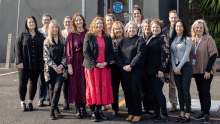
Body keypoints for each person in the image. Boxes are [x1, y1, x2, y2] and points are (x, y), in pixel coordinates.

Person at [82, 16, 114, 122]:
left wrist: (106, 62)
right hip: (92, 67)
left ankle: (100, 112)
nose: (99, 25)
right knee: (93, 89)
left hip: (104, 67)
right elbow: (85, 52)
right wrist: (95, 63)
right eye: (97, 23)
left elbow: (111, 52)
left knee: (101, 89)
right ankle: (93, 113)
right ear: (93, 25)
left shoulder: (107, 36)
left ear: (103, 25)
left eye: (101, 23)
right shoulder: (89, 36)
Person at [116, 21, 146, 122]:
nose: (132, 29)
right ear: (127, 29)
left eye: (134, 28)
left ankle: (137, 113)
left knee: (135, 91)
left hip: (136, 70)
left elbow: (140, 54)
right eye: (130, 28)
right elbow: (118, 55)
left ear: (137, 29)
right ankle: (131, 112)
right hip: (125, 70)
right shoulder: (123, 41)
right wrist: (124, 66)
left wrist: (131, 65)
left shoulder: (140, 40)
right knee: (128, 92)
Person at [190, 19, 218, 124]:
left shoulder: (208, 39)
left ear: (204, 29)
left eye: (201, 27)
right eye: (197, 27)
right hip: (196, 69)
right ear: (194, 28)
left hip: (206, 70)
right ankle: (202, 111)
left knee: (205, 91)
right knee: (200, 91)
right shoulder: (191, 39)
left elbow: (213, 54)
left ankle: (207, 114)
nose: (199, 29)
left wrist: (207, 70)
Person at [15, 16, 45, 111]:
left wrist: (43, 63)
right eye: (29, 22)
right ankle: (22, 102)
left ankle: (30, 102)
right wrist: (19, 61)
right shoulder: (22, 35)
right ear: (26, 24)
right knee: (23, 83)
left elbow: (44, 50)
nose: (31, 23)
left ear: (35, 23)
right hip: (24, 65)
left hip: (36, 64)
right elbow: (17, 49)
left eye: (33, 22)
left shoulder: (40, 36)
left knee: (33, 83)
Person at [66, 13, 90, 119]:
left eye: (80, 20)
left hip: (86, 62)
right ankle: (77, 109)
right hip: (75, 62)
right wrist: (69, 65)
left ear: (83, 21)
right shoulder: (71, 35)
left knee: (85, 85)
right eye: (76, 21)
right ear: (74, 23)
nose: (78, 22)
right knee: (76, 85)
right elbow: (69, 51)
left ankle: (84, 109)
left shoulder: (88, 33)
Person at [145, 19, 169, 122]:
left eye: (157, 27)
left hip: (158, 70)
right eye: (153, 27)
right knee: (153, 93)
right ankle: (156, 113)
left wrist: (161, 70)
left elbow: (166, 54)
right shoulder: (150, 37)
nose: (155, 29)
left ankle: (164, 114)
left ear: (160, 28)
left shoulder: (162, 38)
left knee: (158, 92)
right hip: (149, 70)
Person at [43, 20, 67, 120]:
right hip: (51, 69)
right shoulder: (47, 41)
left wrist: (61, 66)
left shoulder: (63, 40)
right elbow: (46, 57)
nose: (54, 29)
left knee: (57, 89)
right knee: (52, 90)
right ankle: (56, 108)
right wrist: (55, 67)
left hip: (61, 69)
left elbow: (66, 55)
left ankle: (52, 110)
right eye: (52, 27)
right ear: (50, 29)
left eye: (56, 27)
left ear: (59, 28)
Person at [170, 20, 192, 123]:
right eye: (177, 26)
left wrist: (178, 68)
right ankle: (182, 113)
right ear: (175, 28)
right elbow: (172, 54)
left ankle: (187, 114)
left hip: (185, 66)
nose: (178, 28)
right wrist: (174, 67)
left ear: (184, 28)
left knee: (185, 91)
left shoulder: (188, 39)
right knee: (179, 91)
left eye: (181, 26)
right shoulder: (173, 39)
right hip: (176, 67)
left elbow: (186, 55)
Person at [162, 10, 179, 112]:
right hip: (169, 61)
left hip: (180, 61)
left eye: (175, 17)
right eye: (172, 18)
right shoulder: (165, 30)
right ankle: (173, 104)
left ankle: (186, 105)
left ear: (178, 18)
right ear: (169, 18)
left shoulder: (182, 29)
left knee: (183, 85)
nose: (173, 19)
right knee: (172, 84)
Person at [110, 21, 128, 117]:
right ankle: (115, 109)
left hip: (125, 67)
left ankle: (130, 107)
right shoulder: (111, 41)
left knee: (126, 88)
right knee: (114, 89)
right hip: (114, 67)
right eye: (116, 29)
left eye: (120, 28)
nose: (118, 30)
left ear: (122, 29)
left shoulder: (127, 40)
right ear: (113, 30)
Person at [101, 13, 116, 111]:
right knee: (104, 84)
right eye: (107, 20)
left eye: (111, 20)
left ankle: (113, 104)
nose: (109, 22)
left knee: (114, 85)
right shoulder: (103, 33)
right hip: (105, 63)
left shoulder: (117, 31)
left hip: (115, 63)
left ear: (114, 21)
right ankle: (103, 103)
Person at [140, 18, 155, 114]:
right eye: (145, 26)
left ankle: (152, 107)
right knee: (143, 89)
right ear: (142, 27)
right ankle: (145, 107)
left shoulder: (154, 37)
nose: (147, 28)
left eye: (148, 26)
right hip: (141, 67)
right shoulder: (140, 38)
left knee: (151, 89)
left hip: (151, 67)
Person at [38, 14, 52, 107]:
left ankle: (50, 99)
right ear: (42, 21)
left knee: (51, 80)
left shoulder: (53, 30)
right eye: (44, 20)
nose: (46, 21)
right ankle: (41, 99)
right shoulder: (38, 32)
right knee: (41, 80)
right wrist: (42, 62)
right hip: (41, 59)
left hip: (52, 60)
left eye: (48, 20)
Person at [61, 16, 72, 110]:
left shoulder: (75, 33)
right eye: (66, 22)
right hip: (64, 61)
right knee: (65, 82)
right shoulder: (61, 33)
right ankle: (66, 101)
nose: (67, 23)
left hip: (74, 60)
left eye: (69, 21)